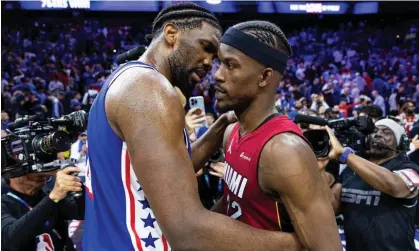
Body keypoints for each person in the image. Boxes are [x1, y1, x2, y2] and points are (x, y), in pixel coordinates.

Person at [84, 3, 303, 251]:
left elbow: (168, 174)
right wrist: (297, 244)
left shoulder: (126, 78)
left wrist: (219, 126)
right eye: (206, 47)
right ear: (171, 34)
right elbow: (189, 231)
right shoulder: (150, 89)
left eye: (216, 57)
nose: (210, 63)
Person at [212, 21, 341, 250]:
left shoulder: (285, 151)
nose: (217, 75)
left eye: (230, 65)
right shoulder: (231, 132)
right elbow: (234, 202)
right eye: (219, 63)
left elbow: (327, 247)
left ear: (264, 77)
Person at [324, 118, 419, 251]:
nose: (378, 134)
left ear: (400, 143)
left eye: (386, 132)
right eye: (374, 131)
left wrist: (345, 155)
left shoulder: (410, 168)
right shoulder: (352, 169)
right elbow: (330, 208)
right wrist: (321, 167)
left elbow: (395, 186)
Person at [1, 167, 84, 251]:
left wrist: (77, 183)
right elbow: (10, 240)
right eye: (29, 168)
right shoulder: (4, 203)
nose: (38, 172)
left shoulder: (50, 196)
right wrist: (52, 198)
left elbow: (83, 213)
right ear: (11, 174)